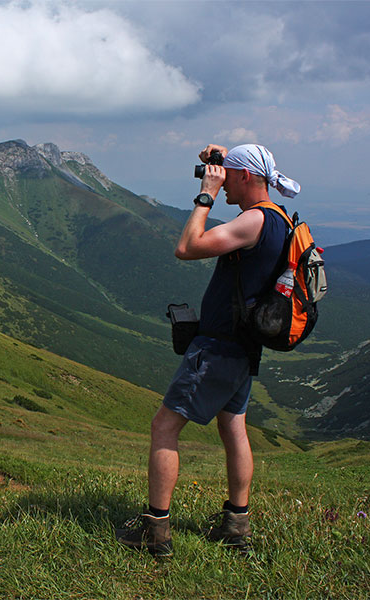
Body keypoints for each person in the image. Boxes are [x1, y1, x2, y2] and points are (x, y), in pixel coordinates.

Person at [115, 143, 301, 556]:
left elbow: (187, 247)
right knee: (233, 427)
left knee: (164, 427)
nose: (218, 179)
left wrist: (206, 196)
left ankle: (155, 531)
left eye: (227, 174)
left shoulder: (252, 221)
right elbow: (243, 173)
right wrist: (223, 155)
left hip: (219, 347)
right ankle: (236, 525)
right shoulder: (280, 219)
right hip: (244, 347)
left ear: (245, 177)